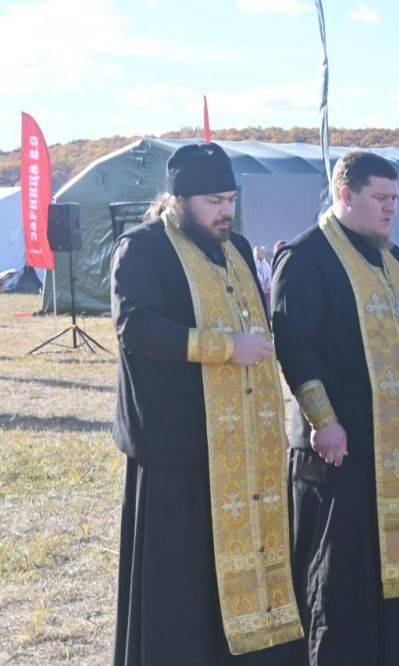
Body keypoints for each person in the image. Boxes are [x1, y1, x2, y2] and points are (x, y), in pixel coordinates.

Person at [270, 151, 399, 665]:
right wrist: (323, 421)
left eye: (396, 199)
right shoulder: (305, 257)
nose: (390, 210)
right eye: (380, 199)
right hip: (343, 448)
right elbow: (295, 346)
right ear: (345, 195)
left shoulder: (393, 257)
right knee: (348, 579)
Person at [110, 142, 302, 665]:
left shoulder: (236, 246)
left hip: (244, 446)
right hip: (180, 446)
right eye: (214, 200)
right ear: (179, 199)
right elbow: (136, 326)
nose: (226, 211)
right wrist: (224, 349)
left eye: (231, 198)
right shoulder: (142, 247)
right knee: (184, 581)